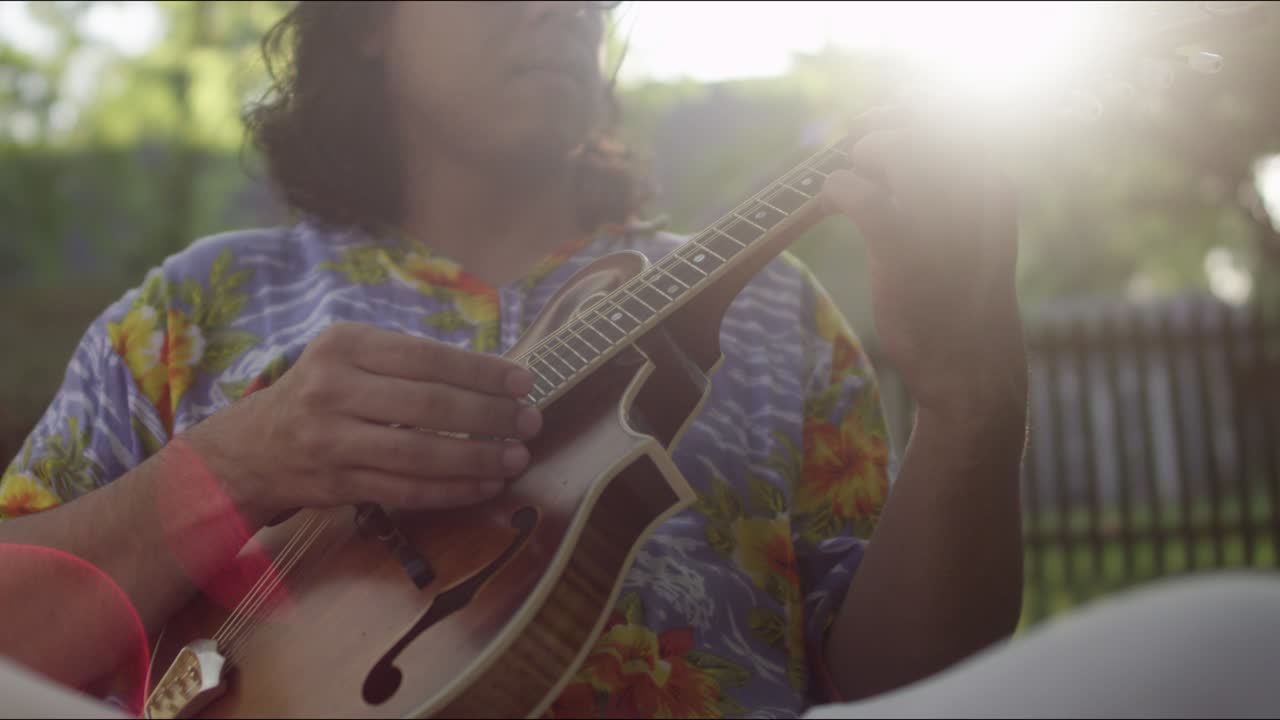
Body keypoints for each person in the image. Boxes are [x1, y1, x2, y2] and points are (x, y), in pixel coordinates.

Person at [0, 1, 1030, 717]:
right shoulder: (195, 306)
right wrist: (230, 467)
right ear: (367, 20)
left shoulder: (780, 315)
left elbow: (912, 695)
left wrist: (968, 409)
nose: (566, 8)